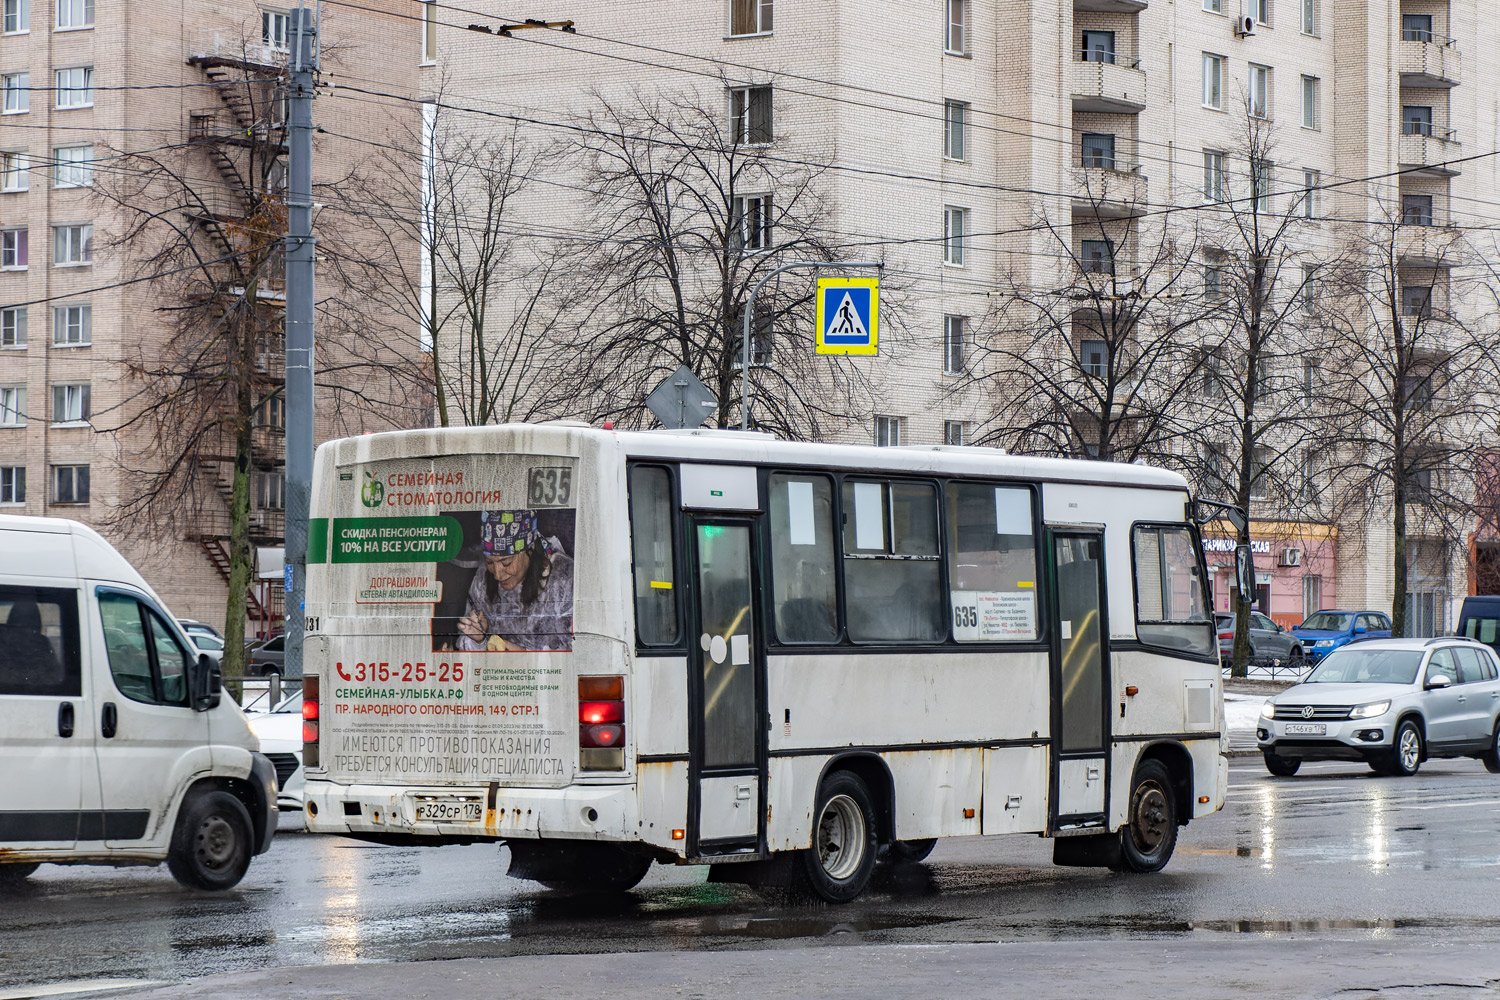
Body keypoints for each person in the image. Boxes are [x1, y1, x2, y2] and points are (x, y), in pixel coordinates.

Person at [456, 510, 574, 651]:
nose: (497, 575)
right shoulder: (483, 579)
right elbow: (465, 644)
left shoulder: (565, 579)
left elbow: (580, 653)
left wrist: (522, 654)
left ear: (529, 550)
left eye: (506, 562)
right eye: (490, 562)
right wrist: (478, 640)